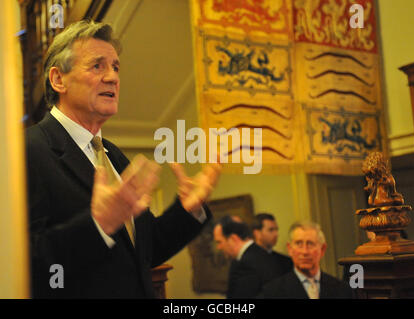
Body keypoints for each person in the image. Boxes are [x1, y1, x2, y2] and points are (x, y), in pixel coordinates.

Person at [25, 20, 221, 298]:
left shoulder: (113, 155)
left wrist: (188, 210)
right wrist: (97, 227)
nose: (113, 77)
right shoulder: (27, 151)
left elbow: (143, 251)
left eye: (115, 67)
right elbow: (24, 265)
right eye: (97, 66)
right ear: (58, 79)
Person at [259, 221, 353, 299]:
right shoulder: (272, 292)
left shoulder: (342, 289)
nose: (304, 251)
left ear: (322, 249)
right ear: (290, 249)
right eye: (299, 244)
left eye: (310, 244)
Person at [213, 216, 283, 298]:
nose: (219, 247)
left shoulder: (244, 265)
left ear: (233, 239)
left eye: (219, 242)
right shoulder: (262, 254)